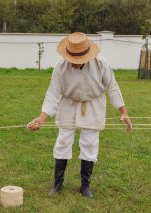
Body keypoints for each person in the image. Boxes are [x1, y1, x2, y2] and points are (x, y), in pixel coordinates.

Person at [27, 32, 133, 198]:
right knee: (63, 140)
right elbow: (53, 94)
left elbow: (112, 87)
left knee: (90, 143)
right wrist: (41, 119)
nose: (74, 63)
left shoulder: (101, 63)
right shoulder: (60, 67)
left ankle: (85, 186)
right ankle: (57, 184)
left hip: (93, 104)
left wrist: (123, 112)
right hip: (68, 104)